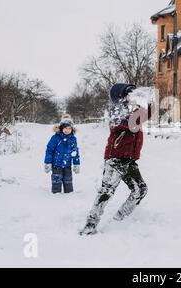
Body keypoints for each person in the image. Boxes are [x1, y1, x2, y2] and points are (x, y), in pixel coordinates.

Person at [80, 84, 152, 235]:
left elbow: (145, 116)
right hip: (115, 159)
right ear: (121, 96)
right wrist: (140, 109)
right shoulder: (116, 110)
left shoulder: (133, 108)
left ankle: (120, 219)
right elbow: (130, 124)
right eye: (129, 94)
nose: (132, 96)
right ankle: (90, 225)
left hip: (129, 160)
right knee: (106, 191)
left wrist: (149, 102)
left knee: (140, 190)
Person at [44, 114, 80, 194]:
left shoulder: (73, 139)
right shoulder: (55, 138)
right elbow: (49, 150)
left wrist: (76, 164)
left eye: (69, 128)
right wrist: (48, 162)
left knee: (68, 180)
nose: (67, 130)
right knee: (56, 179)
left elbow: (75, 152)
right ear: (61, 128)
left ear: (72, 129)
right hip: (56, 164)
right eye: (65, 128)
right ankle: (56, 195)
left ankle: (69, 194)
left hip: (67, 164)